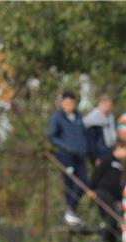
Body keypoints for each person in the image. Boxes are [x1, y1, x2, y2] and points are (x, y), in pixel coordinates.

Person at [48, 90, 89, 229]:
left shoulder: (78, 116)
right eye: (67, 103)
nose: (69, 106)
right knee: (70, 183)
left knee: (84, 182)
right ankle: (70, 211)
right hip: (66, 157)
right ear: (62, 103)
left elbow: (83, 133)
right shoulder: (57, 117)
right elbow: (52, 136)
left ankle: (71, 209)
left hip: (80, 156)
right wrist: (67, 147)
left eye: (72, 103)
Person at [89, 141, 126, 242]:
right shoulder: (108, 160)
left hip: (112, 195)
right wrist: (91, 188)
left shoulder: (120, 165)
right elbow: (97, 173)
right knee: (112, 215)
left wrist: (118, 198)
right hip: (102, 191)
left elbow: (117, 184)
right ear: (118, 148)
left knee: (113, 219)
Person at [82, 94, 117, 166]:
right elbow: (91, 142)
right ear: (100, 104)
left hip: (109, 151)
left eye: (110, 106)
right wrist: (95, 158)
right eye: (106, 105)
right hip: (99, 154)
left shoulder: (110, 117)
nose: (108, 108)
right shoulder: (93, 119)